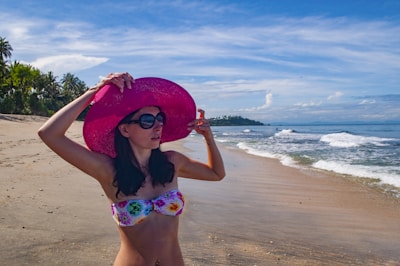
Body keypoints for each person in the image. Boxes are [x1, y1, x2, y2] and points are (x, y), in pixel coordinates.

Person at [38, 72, 225, 266]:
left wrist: (209, 138)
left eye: (159, 119)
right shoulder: (107, 170)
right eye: (147, 121)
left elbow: (216, 174)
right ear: (125, 129)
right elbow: (49, 134)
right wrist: (94, 91)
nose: (157, 127)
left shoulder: (172, 162)